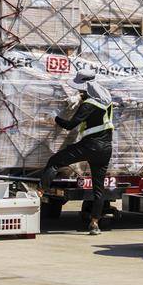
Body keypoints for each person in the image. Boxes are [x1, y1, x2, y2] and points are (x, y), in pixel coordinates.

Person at [40, 69, 115, 235]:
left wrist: (55, 118)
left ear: (85, 88)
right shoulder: (106, 100)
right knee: (98, 189)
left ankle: (41, 191)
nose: (80, 92)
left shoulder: (89, 105)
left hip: (90, 146)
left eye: (81, 90)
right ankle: (94, 224)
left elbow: (69, 125)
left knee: (55, 161)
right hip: (106, 149)